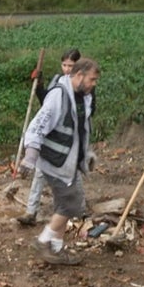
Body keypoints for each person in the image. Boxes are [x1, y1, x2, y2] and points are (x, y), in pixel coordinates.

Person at [19, 57, 101, 265]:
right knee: (71, 204)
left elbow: (80, 130)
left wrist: (86, 154)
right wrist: (30, 156)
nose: (94, 84)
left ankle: (55, 249)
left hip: (70, 161)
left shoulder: (83, 97)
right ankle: (44, 239)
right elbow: (37, 127)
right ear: (79, 75)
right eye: (91, 79)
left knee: (63, 205)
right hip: (55, 162)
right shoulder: (58, 96)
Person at [18, 48, 84, 227]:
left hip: (71, 141)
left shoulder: (84, 86)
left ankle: (77, 213)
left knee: (72, 176)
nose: (67, 69)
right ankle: (31, 211)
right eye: (64, 65)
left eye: (71, 65)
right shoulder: (58, 81)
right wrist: (39, 85)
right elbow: (47, 103)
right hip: (52, 137)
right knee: (40, 173)